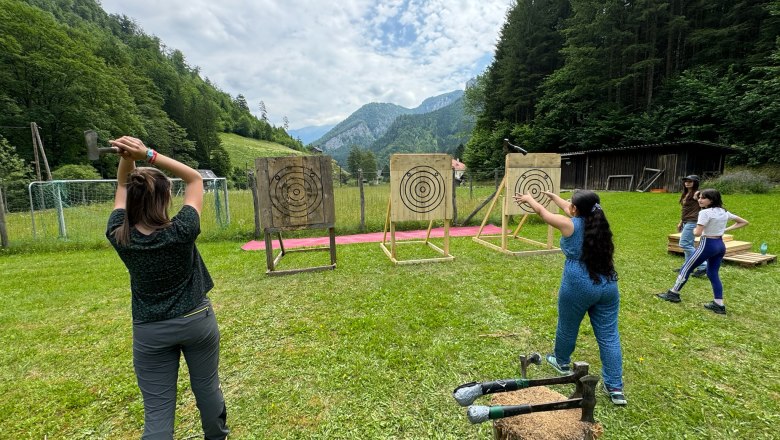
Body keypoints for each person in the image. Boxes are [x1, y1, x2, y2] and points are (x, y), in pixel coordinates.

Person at [105, 136, 229, 439]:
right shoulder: (182, 229)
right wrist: (145, 153)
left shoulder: (120, 235)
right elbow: (194, 178)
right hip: (196, 321)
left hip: (150, 331)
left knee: (158, 410)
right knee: (207, 389)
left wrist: (126, 158)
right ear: (164, 198)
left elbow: (123, 187)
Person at [513, 189, 626, 405]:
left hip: (579, 284)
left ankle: (561, 361)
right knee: (609, 336)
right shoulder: (597, 219)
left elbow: (543, 213)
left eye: (570, 204)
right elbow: (569, 208)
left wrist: (530, 199)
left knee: (568, 325)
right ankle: (615, 388)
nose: (567, 206)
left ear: (575, 209)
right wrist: (555, 197)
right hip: (608, 285)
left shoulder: (569, 225)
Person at [657, 189, 749, 315]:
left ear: (711, 200)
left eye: (703, 198)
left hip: (708, 244)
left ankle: (673, 293)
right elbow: (744, 222)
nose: (700, 200)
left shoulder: (705, 213)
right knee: (713, 273)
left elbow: (697, 233)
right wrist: (725, 229)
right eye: (699, 197)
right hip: (720, 245)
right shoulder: (723, 211)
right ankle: (719, 304)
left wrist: (695, 229)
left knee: (686, 268)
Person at [676, 175, 707, 277]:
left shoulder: (697, 193)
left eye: (690, 181)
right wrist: (681, 222)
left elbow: (705, 203)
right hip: (686, 221)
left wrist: (699, 196)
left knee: (685, 244)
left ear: (695, 183)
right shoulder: (686, 193)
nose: (687, 183)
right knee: (689, 245)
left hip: (693, 221)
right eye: (686, 181)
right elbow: (686, 210)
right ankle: (687, 266)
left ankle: (703, 266)